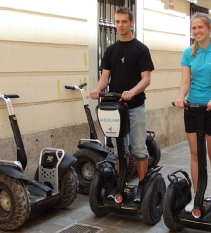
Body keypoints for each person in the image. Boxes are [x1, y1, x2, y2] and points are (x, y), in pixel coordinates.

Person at [90, 6, 154, 202]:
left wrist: (132, 91)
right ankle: (122, 184)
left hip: (135, 106)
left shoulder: (141, 49)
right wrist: (98, 89)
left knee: (139, 147)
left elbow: (146, 79)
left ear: (131, 23)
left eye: (124, 22)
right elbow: (105, 77)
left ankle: (143, 185)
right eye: (117, 22)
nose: (120, 25)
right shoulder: (111, 50)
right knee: (119, 148)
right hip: (114, 107)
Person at [174, 12, 211, 216]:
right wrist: (181, 96)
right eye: (194, 28)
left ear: (209, 29)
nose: (197, 31)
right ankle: (197, 196)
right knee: (195, 155)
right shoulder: (188, 53)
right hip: (193, 108)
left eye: (200, 27)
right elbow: (185, 82)